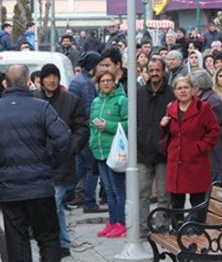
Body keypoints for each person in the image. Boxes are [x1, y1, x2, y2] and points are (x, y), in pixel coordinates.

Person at [0, 64, 73, 262]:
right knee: (49, 239)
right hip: (40, 186)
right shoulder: (42, 108)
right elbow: (64, 138)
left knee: (17, 240)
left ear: (5, 84)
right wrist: (50, 164)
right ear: (30, 82)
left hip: (10, 189)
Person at [34, 63, 89, 257]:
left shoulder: (71, 101)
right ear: (40, 80)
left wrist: (71, 148)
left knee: (52, 203)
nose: (51, 80)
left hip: (62, 162)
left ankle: (51, 244)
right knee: (53, 206)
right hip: (39, 162)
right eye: (47, 76)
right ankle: (62, 242)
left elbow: (82, 128)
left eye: (54, 76)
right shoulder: (34, 100)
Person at [160, 75, 219, 220]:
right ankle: (177, 230)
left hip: (196, 161)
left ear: (193, 90)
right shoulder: (171, 108)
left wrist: (201, 146)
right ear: (174, 91)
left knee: (197, 201)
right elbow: (168, 134)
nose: (183, 91)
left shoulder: (202, 107)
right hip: (176, 162)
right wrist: (162, 125)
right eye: (179, 88)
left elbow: (214, 130)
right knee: (176, 202)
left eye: (186, 87)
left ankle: (198, 230)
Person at [136, 57, 175, 237]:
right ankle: (143, 227)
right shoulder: (138, 93)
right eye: (151, 70)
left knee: (163, 194)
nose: (154, 74)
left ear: (163, 70)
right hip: (142, 151)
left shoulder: (171, 94)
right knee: (141, 193)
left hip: (164, 152)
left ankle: (162, 226)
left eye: (157, 70)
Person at [89, 67, 128, 238]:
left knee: (118, 190)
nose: (105, 84)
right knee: (109, 191)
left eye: (108, 81)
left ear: (114, 83)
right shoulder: (96, 102)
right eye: (102, 81)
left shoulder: (121, 100)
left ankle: (121, 223)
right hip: (100, 152)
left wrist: (108, 127)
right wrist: (92, 142)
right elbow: (91, 124)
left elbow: (128, 124)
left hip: (115, 153)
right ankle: (112, 221)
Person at [67, 52, 105, 213]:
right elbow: (90, 110)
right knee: (91, 168)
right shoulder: (87, 84)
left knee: (80, 167)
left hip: (76, 130)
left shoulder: (77, 80)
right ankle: (89, 201)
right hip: (87, 131)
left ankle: (66, 195)